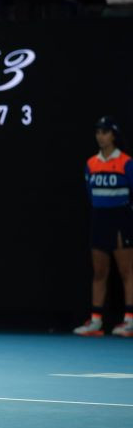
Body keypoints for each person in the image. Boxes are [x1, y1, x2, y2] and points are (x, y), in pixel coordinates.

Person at [73, 117, 133, 338]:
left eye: (105, 132)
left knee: (127, 271)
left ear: (113, 136)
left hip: (121, 220)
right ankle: (96, 321)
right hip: (99, 220)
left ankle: (130, 321)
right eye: (98, 132)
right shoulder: (91, 163)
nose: (101, 136)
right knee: (99, 272)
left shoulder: (127, 163)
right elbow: (90, 194)